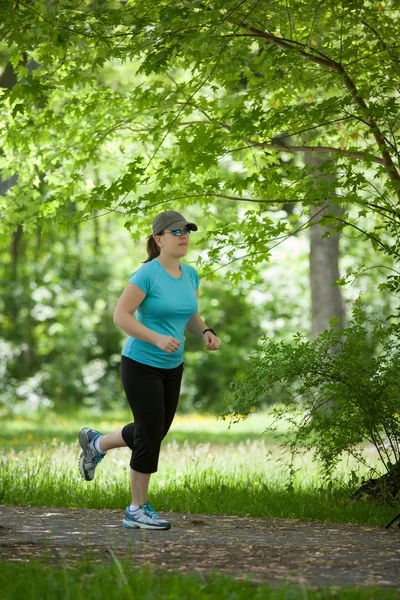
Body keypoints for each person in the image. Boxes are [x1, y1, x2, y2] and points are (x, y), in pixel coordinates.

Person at [78, 210, 220, 530]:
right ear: (159, 240)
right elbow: (121, 316)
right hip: (141, 363)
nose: (184, 236)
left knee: (153, 431)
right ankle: (136, 509)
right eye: (176, 232)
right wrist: (156, 338)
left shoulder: (190, 275)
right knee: (150, 432)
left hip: (173, 365)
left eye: (187, 231)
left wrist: (205, 331)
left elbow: (189, 313)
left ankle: (96, 444)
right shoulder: (146, 275)